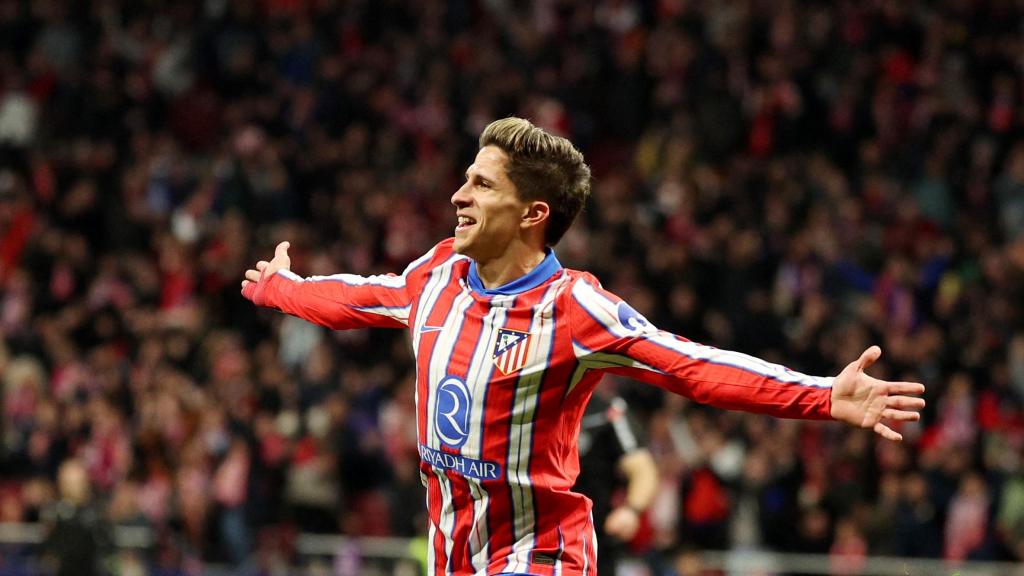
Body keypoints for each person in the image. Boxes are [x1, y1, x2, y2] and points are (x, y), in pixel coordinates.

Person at [241, 117, 926, 575]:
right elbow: (360, 297)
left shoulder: (575, 310)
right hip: (455, 557)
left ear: (534, 214)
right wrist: (281, 289)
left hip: (543, 556)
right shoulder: (439, 275)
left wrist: (822, 395)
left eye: (480, 183)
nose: (457, 194)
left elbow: (690, 365)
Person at [574, 384, 658, 575]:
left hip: (592, 536)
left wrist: (631, 510)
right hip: (533, 533)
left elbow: (642, 468)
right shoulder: (529, 407)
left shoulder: (608, 411)